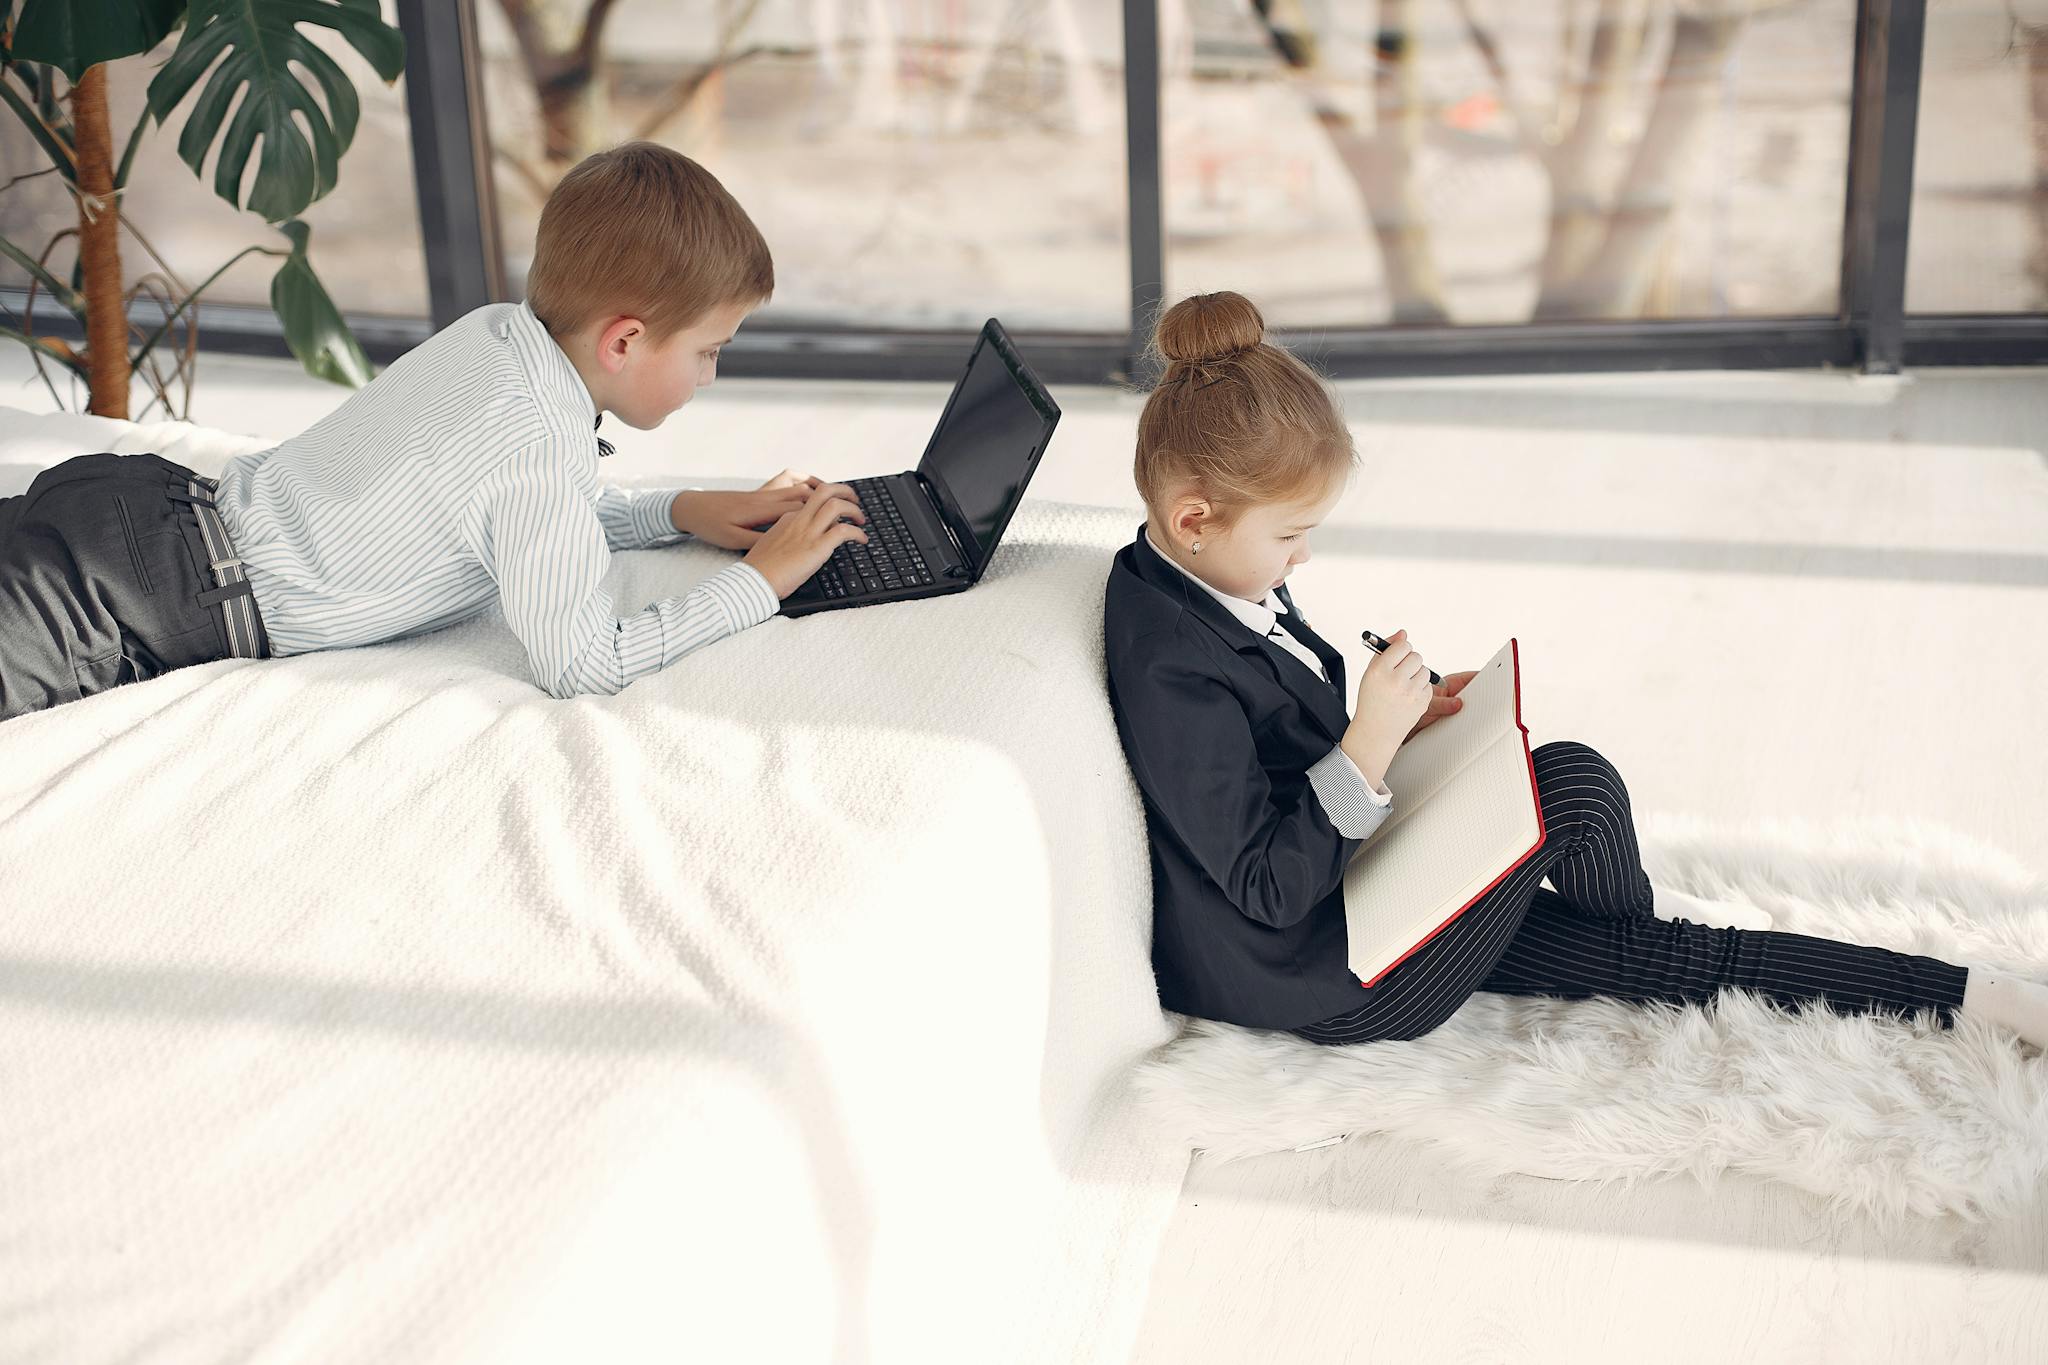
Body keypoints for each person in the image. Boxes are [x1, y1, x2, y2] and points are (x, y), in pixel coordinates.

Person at [1101, 290, 2047, 1051]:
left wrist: (1404, 721)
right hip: (1329, 971)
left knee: (1648, 917)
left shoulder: (1199, 574)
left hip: (1365, 885)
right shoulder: (1168, 661)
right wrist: (1367, 744)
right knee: (1578, 794)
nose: (1301, 559)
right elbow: (1266, 884)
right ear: (1195, 518)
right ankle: (1645, 925)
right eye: (1293, 536)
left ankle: (1980, 998)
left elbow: (1267, 746)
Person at [0, 141, 869, 723]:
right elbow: (582, 665)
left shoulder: (498, 336)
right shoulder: (534, 444)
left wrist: (676, 511)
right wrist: (760, 582)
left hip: (131, 503)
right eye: (709, 351)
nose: (711, 376)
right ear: (626, 340)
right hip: (130, 601)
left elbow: (498, 520)